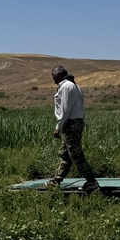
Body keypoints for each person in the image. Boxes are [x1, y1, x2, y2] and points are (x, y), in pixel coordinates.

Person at [47, 66, 101, 195]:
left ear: (59, 74)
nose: (53, 79)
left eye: (53, 76)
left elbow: (64, 109)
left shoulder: (66, 87)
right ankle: (56, 181)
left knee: (76, 155)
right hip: (76, 122)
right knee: (65, 154)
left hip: (70, 124)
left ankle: (92, 182)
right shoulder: (75, 87)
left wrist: (58, 127)